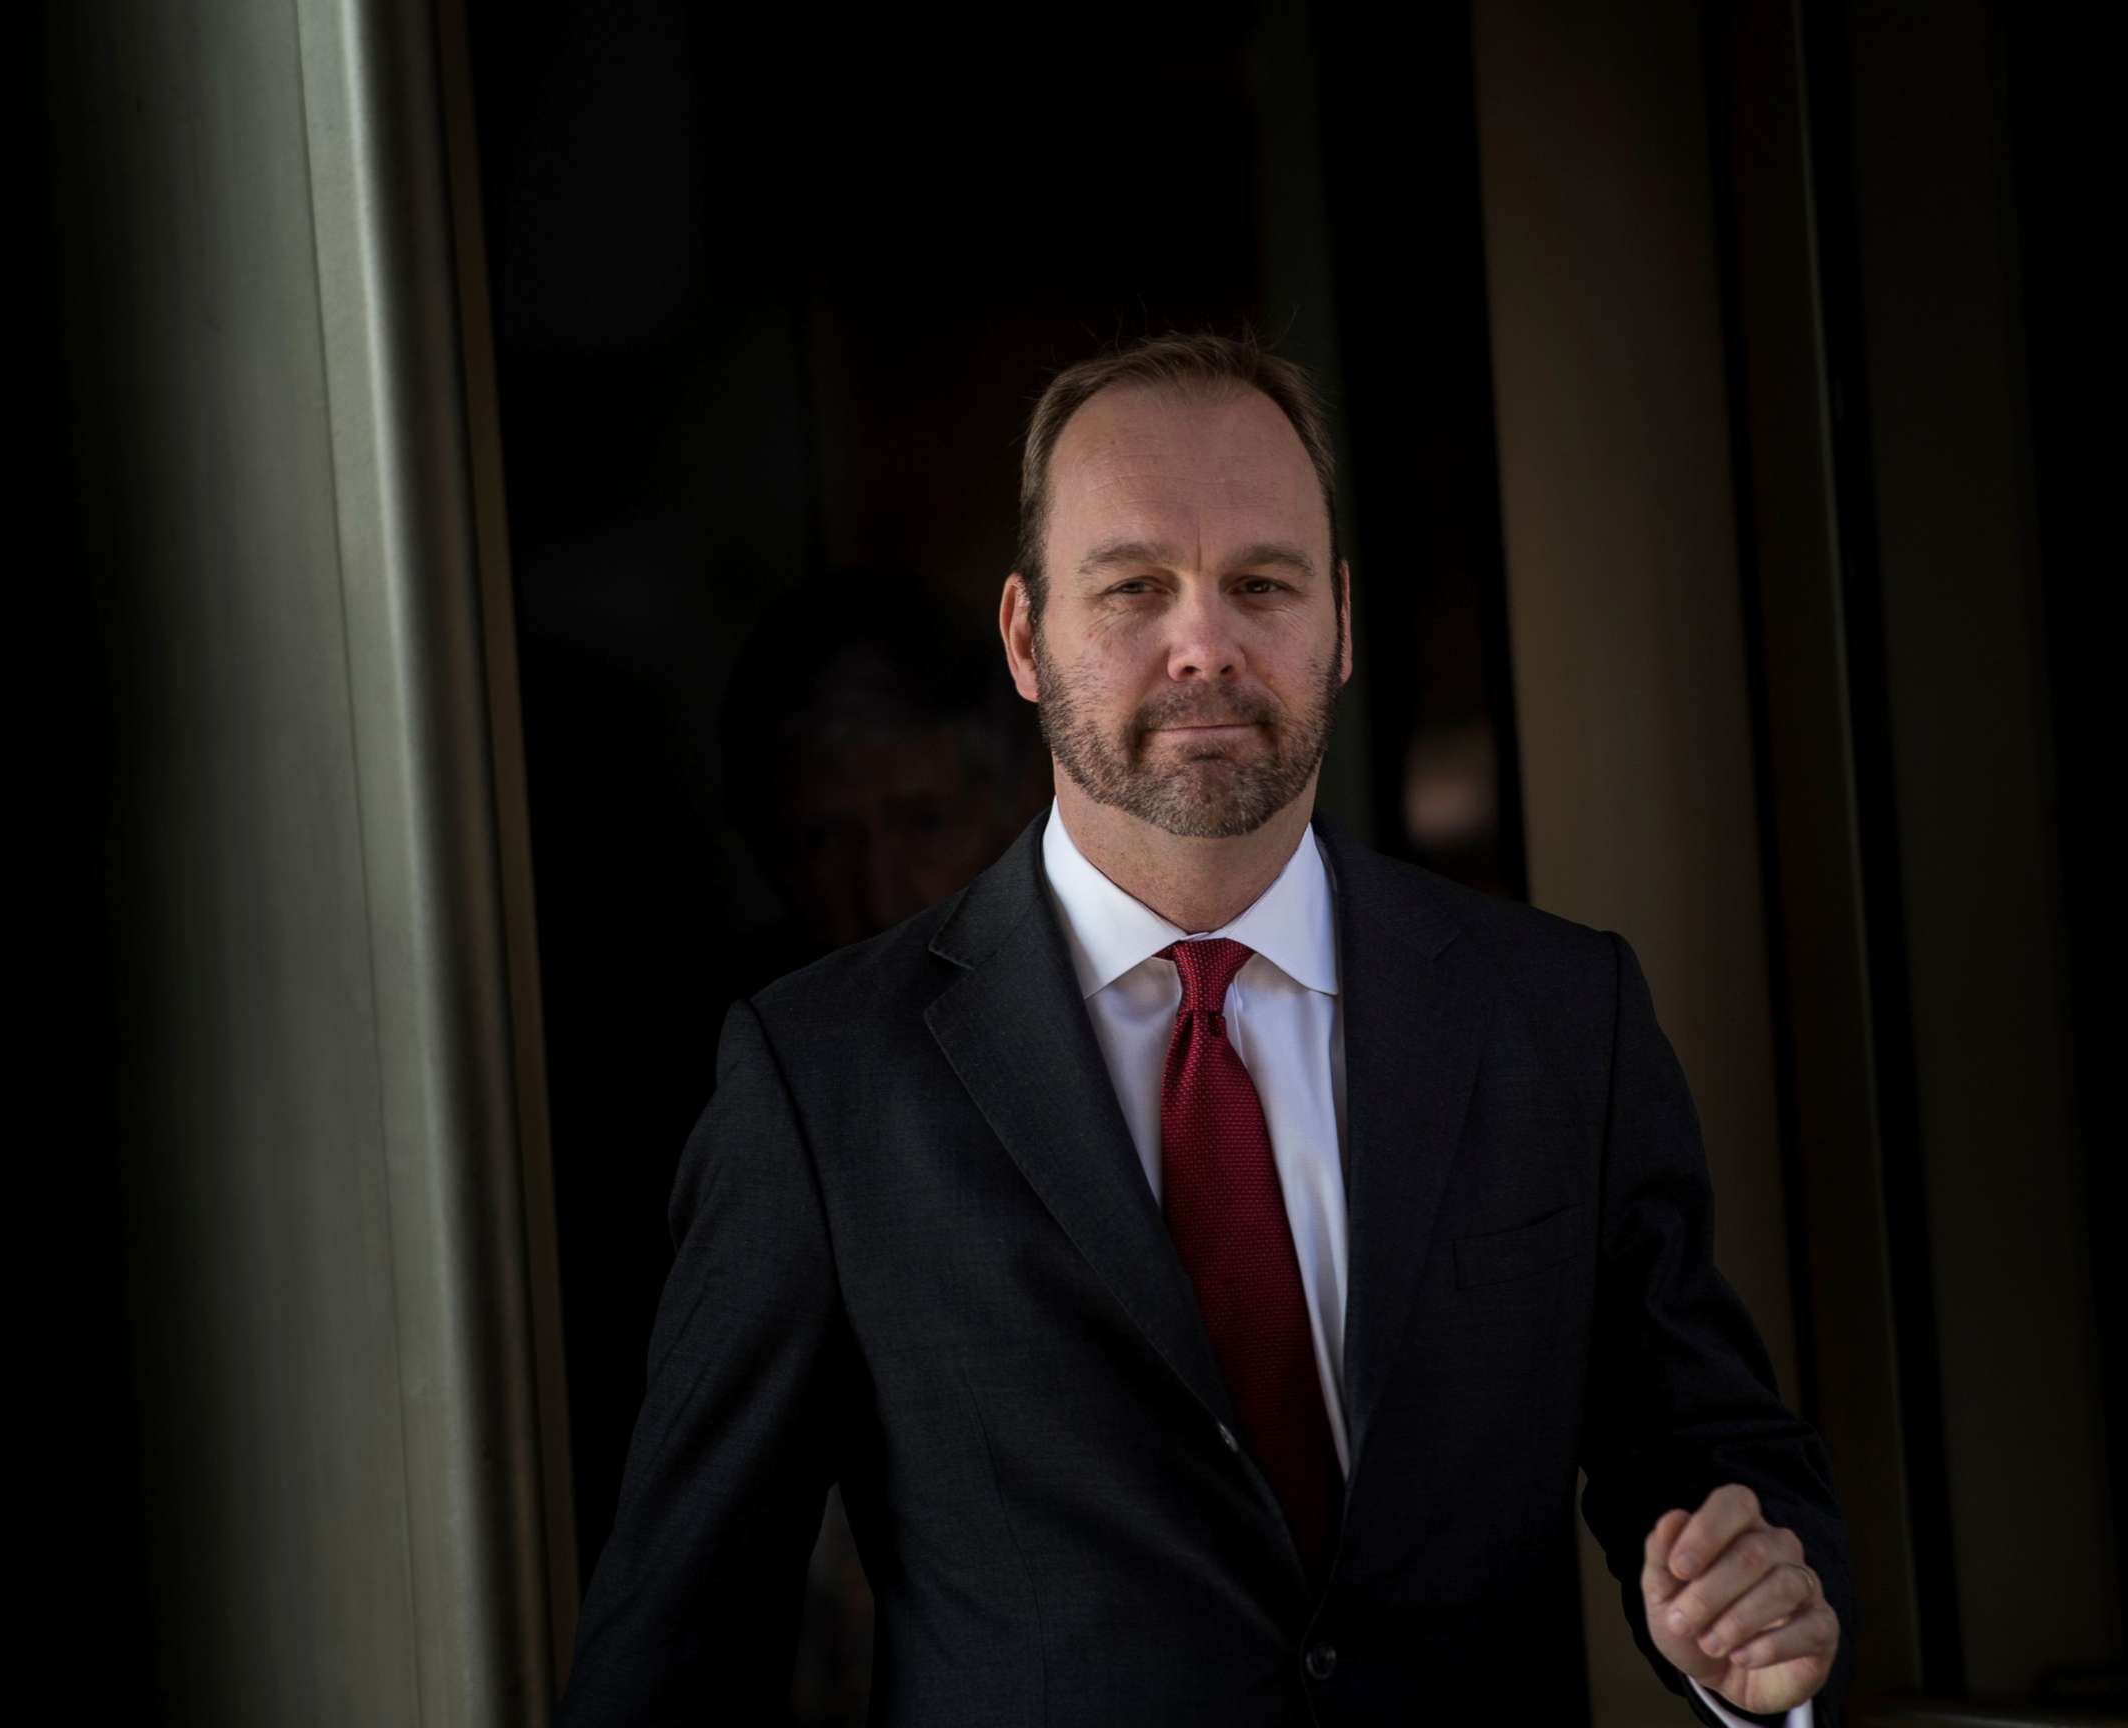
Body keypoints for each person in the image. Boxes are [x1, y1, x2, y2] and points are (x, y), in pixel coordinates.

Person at [557, 332, 1855, 1725]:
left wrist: (1753, 1628)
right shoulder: (819, 1084)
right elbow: (677, 1650)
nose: (1205, 645)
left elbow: (1713, 1456)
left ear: (1341, 625)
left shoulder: (1558, 1016)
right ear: (1023, 638)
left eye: (1262, 583)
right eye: (1133, 588)